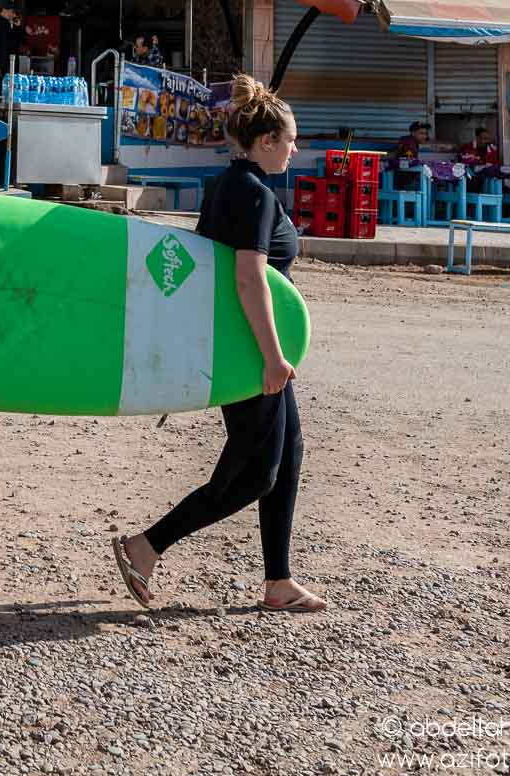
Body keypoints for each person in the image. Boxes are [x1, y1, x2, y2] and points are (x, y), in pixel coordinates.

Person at [111, 72, 325, 616]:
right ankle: (147, 545)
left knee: (288, 454)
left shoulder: (230, 184)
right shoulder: (253, 195)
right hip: (249, 349)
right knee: (253, 474)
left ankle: (278, 580)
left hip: (237, 344)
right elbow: (249, 279)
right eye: (291, 140)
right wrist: (274, 357)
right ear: (268, 141)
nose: (296, 149)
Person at [0, 5, 24, 69]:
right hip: (0, 63)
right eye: (12, 12)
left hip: (10, 63)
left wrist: (18, 28)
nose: (14, 15)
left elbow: (18, 42)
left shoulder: (11, 24)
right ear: (5, 10)